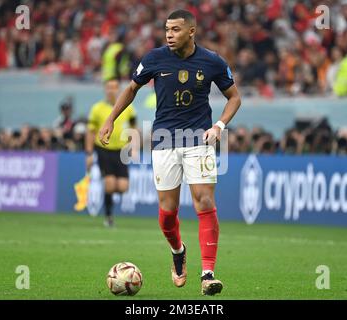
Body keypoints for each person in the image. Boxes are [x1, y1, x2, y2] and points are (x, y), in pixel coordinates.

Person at [98, 10, 241, 295]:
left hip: (198, 139)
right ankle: (178, 251)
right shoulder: (153, 58)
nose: (169, 34)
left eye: (175, 29)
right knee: (167, 214)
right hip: (164, 141)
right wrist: (111, 118)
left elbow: (234, 97)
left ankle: (208, 274)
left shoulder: (212, 61)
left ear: (191, 31)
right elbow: (131, 88)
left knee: (203, 201)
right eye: (167, 29)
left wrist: (219, 126)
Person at [86, 79, 137, 227]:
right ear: (105, 90)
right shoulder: (97, 108)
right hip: (103, 149)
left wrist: (133, 146)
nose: (111, 90)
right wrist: (89, 153)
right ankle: (108, 217)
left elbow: (134, 126)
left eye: (114, 87)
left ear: (119, 89)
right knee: (109, 184)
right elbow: (90, 131)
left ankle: (108, 193)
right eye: (108, 87)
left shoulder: (128, 108)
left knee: (122, 187)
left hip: (121, 150)